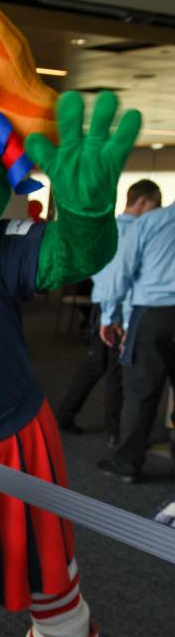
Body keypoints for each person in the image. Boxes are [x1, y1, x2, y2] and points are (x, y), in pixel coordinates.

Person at [57, 180, 162, 444]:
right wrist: (115, 317)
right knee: (113, 372)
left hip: (107, 308)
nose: (157, 210)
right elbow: (118, 279)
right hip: (114, 311)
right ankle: (116, 433)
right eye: (155, 204)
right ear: (141, 202)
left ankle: (68, 415)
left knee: (99, 366)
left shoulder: (113, 229)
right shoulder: (132, 232)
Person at [98, 191, 175, 483]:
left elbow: (121, 272)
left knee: (140, 394)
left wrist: (110, 316)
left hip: (153, 315)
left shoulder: (151, 222)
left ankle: (127, 464)